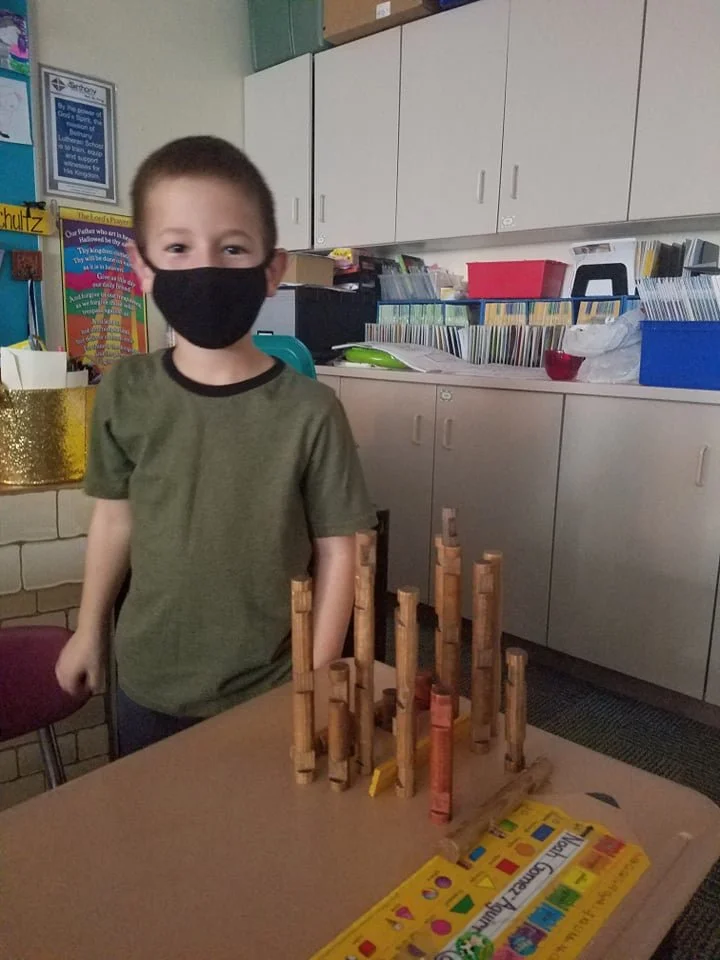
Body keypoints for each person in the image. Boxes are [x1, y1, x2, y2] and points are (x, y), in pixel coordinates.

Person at [55, 135, 376, 756]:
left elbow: (342, 550)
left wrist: (312, 677)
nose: (206, 270)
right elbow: (115, 518)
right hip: (147, 681)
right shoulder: (125, 390)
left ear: (272, 270)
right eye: (178, 248)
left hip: (271, 686)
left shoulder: (312, 411)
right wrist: (88, 629)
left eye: (233, 248)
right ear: (143, 265)